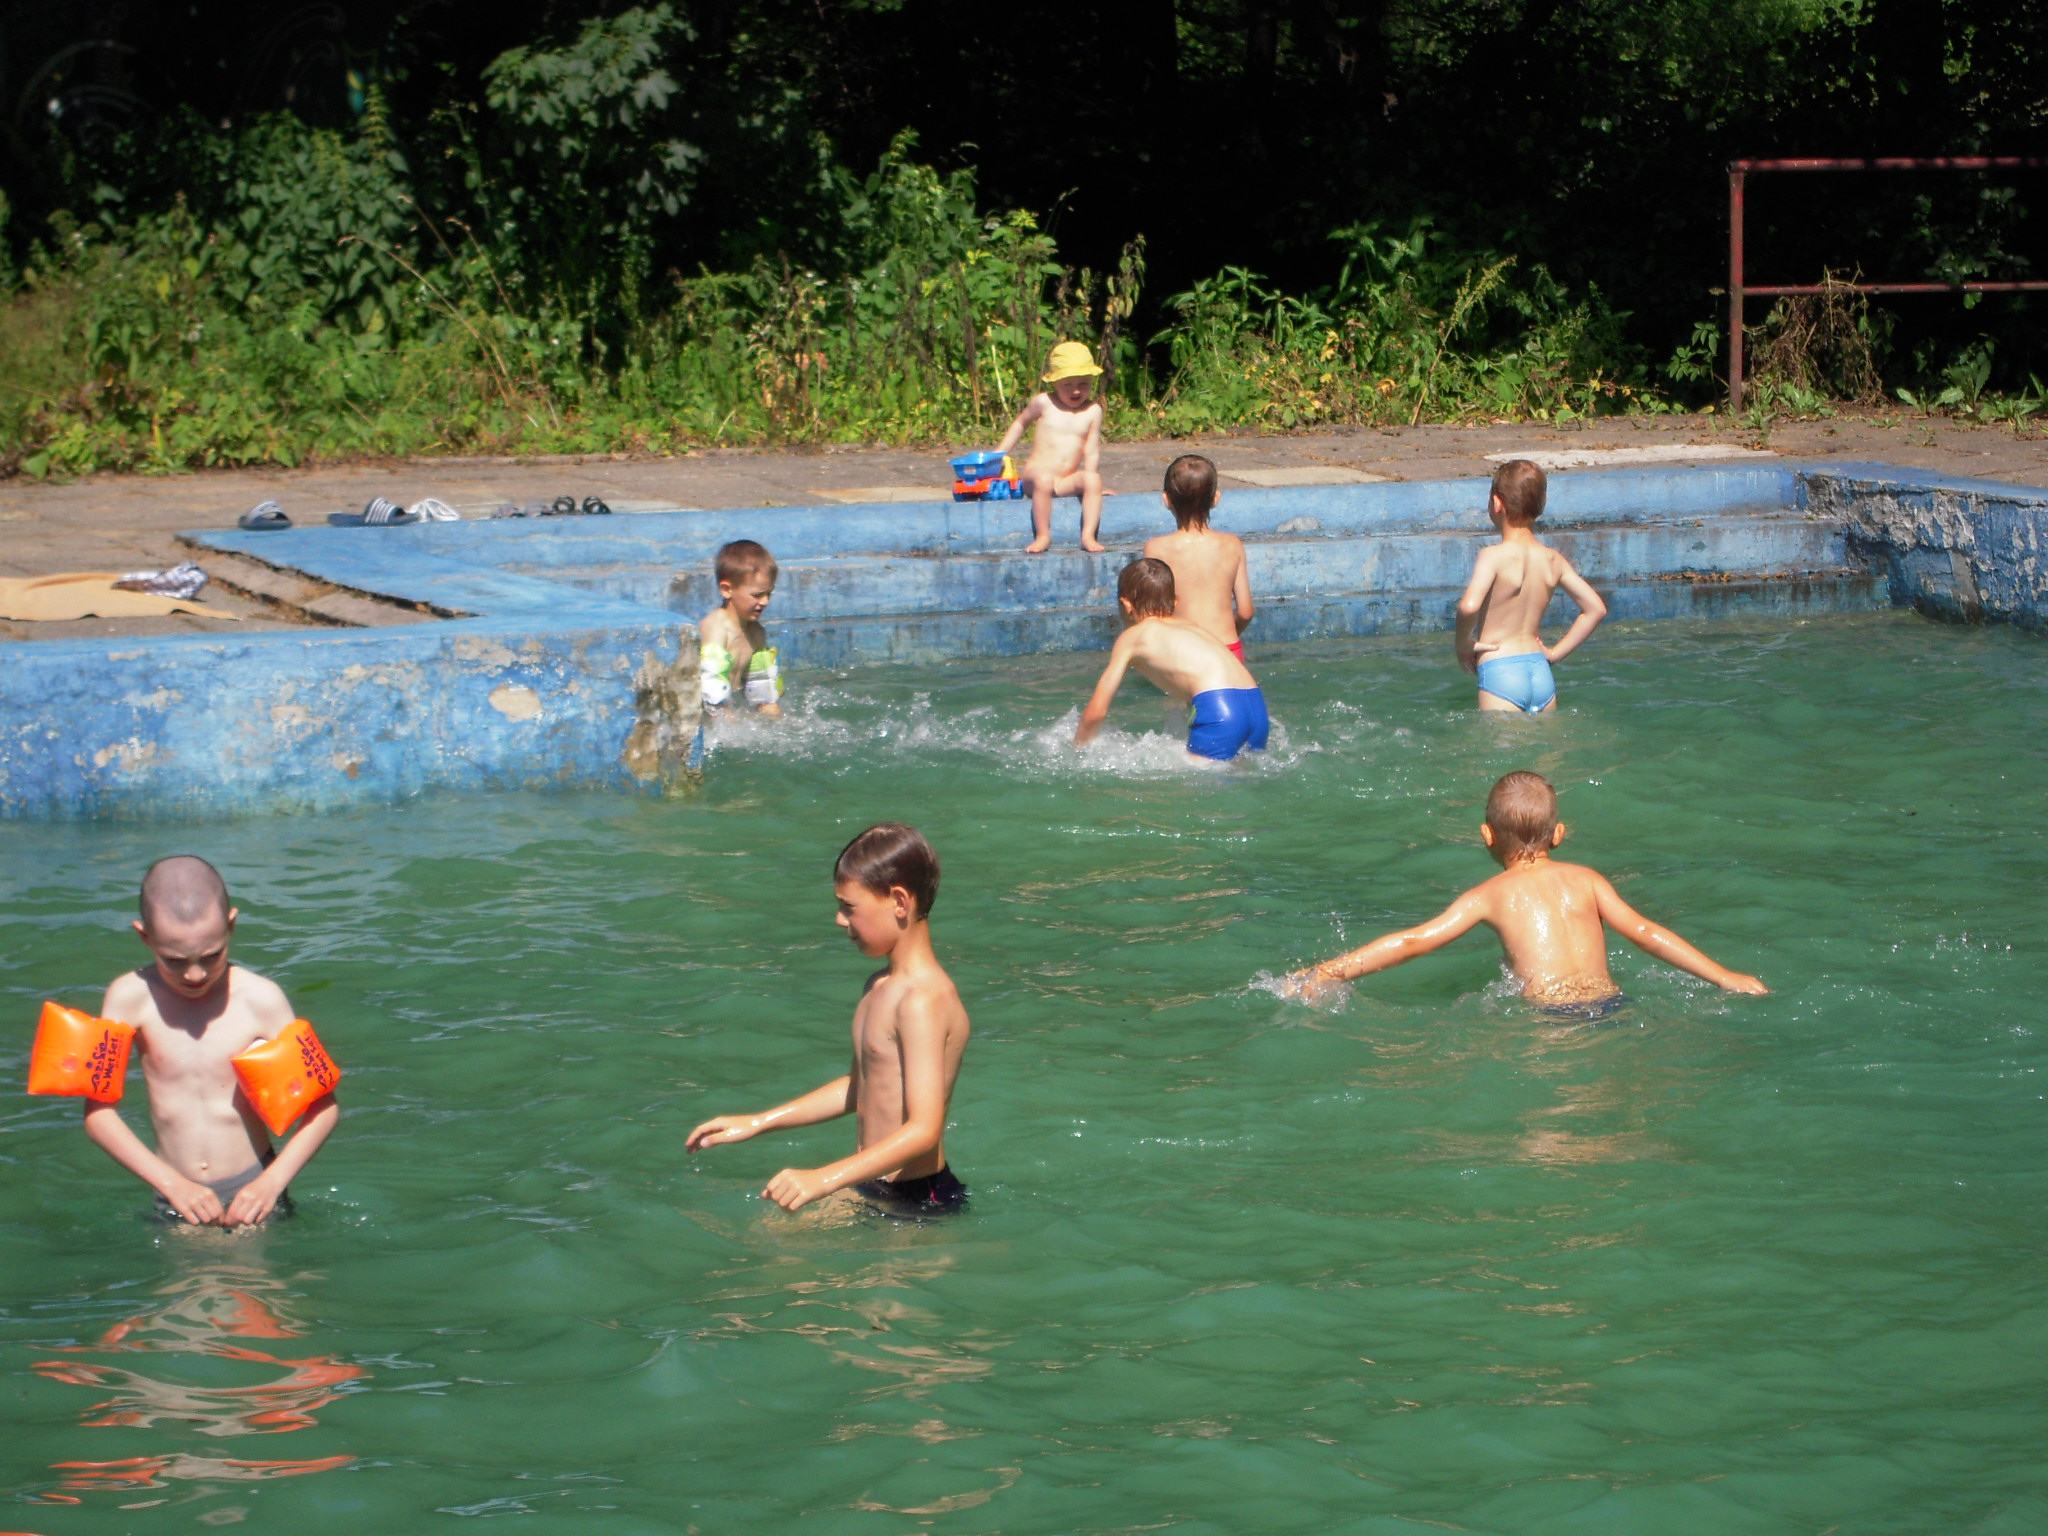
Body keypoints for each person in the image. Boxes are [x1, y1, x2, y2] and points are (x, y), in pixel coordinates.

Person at [1282, 772, 1767, 1007]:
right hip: (1612, 1005)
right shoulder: (1588, 880)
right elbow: (1645, 932)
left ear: (1486, 835)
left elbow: (1413, 942)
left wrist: (1329, 971)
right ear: (1559, 835)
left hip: (1552, 1017)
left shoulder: (1488, 895)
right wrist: (1725, 976)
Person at [686, 824, 971, 1217]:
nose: (839, 919)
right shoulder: (879, 986)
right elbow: (861, 1087)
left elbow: (924, 1131)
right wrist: (759, 1121)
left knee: (771, 1246)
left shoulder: (923, 1000)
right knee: (765, 1238)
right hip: (872, 1184)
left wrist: (824, 1178)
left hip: (919, 1200)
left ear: (899, 902)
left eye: (849, 907)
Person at [87, 856, 339, 1225]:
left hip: (253, 1188)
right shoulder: (129, 998)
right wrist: (171, 1184)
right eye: (174, 960)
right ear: (145, 936)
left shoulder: (261, 1000)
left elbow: (324, 1108)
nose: (195, 974)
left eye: (211, 956)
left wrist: (271, 1184)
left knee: (252, 1265)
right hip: (175, 1191)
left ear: (231, 925)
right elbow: (98, 1115)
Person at [1075, 558, 1268, 762]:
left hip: (1219, 708)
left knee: (1202, 781)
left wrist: (1077, 750)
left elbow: (1096, 712)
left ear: (1126, 604)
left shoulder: (1133, 638)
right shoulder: (1192, 627)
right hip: (1256, 708)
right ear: (1175, 602)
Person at [1454, 459, 1607, 713]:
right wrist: (1555, 653)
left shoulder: (1493, 556)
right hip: (1540, 671)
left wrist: (1462, 645)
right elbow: (1596, 609)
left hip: (1500, 668)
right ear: (1540, 506)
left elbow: (1469, 607)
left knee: (1502, 740)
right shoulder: (1553, 559)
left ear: (1496, 503)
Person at [993, 341, 1107, 555]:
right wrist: (999, 453)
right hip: (1035, 477)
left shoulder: (1093, 411)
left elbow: (1091, 449)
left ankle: (1088, 535)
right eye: (1068, 384)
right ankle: (1043, 535)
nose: (1076, 390)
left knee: (1093, 479)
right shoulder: (1044, 402)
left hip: (1064, 480)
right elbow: (1020, 424)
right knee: (1044, 480)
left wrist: (1091, 484)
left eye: (1083, 384)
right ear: (1055, 382)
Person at [1143, 454, 1254, 661]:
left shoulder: (1155, 548)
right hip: (1226, 649)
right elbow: (1246, 612)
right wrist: (1221, 643)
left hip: (1182, 651)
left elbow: (1151, 614)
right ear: (1216, 498)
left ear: (1166, 499)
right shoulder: (1232, 545)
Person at [699, 539, 783, 716]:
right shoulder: (716, 628)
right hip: (710, 710)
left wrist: (771, 712)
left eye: (769, 593)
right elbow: (711, 688)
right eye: (758, 595)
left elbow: (763, 691)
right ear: (726, 589)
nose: (765, 601)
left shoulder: (756, 632)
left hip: (731, 707)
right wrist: (725, 715)